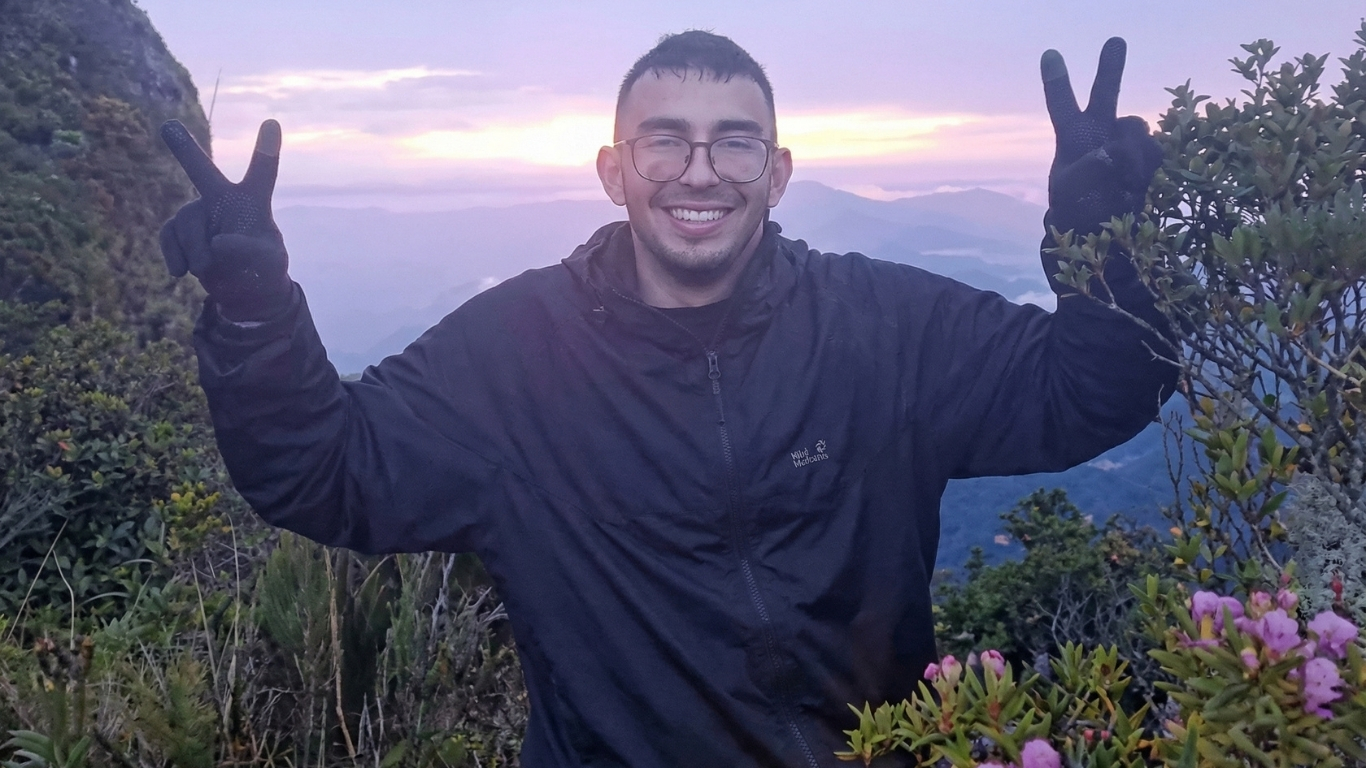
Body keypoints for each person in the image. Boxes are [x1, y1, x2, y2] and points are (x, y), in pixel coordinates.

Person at [158, 30, 1174, 768]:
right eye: (665, 142)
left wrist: (1104, 251)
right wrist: (255, 315)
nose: (700, 172)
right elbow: (326, 471)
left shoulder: (883, 326)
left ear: (776, 173)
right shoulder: (513, 355)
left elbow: (1084, 393)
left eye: (734, 143)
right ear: (614, 171)